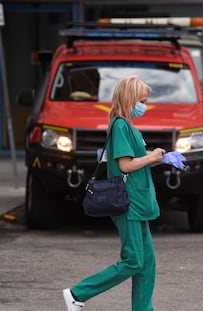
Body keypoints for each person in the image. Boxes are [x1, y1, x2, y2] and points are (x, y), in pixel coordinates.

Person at [62, 76, 166, 311]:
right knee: (133, 261)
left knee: (147, 263)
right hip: (129, 203)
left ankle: (143, 309)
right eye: (142, 100)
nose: (145, 105)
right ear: (130, 99)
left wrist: (159, 159)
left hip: (138, 203)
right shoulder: (120, 125)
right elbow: (125, 166)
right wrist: (150, 157)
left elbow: (134, 162)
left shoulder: (127, 125)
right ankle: (78, 293)